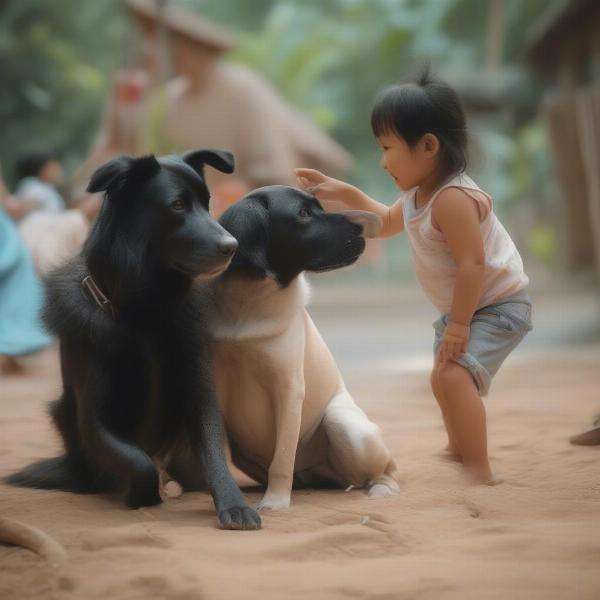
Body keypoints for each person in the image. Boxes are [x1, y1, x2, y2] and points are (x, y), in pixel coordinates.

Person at [296, 69, 532, 485]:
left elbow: (472, 265)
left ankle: (478, 465)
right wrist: (345, 193)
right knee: (441, 378)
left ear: (427, 146)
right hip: (467, 308)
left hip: (497, 306)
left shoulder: (454, 199)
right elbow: (386, 222)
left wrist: (459, 324)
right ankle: (458, 447)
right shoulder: (416, 195)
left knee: (455, 376)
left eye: (387, 147)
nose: (383, 160)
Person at [11, 149, 89, 275]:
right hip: (40, 243)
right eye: (54, 165)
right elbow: (25, 208)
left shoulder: (48, 190)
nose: (59, 168)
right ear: (42, 169)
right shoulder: (32, 186)